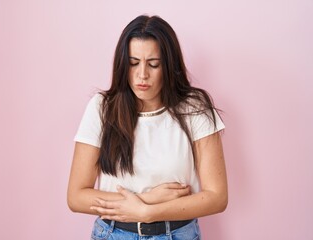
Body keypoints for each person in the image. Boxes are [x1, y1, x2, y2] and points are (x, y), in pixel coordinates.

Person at [67, 15, 228, 240]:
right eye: (133, 63)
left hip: (178, 234)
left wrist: (148, 212)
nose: (142, 74)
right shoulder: (102, 108)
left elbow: (217, 197)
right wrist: (150, 199)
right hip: (113, 234)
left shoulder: (195, 108)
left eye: (153, 64)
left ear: (169, 66)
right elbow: (76, 197)